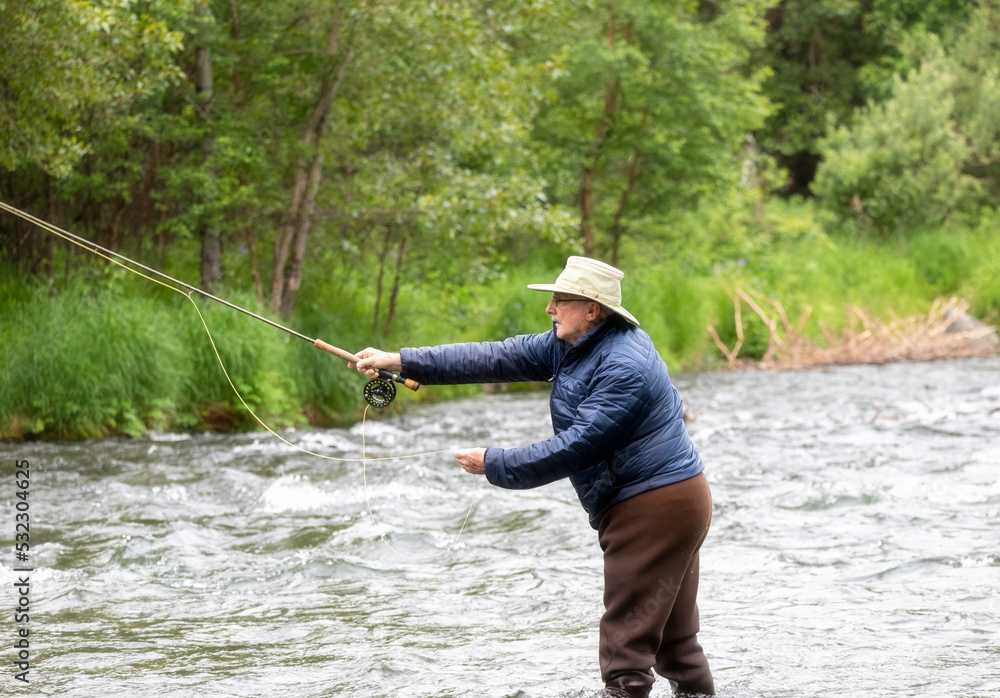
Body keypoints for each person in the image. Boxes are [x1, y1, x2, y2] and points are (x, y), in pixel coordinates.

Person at [353, 256, 714, 697]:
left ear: (591, 309)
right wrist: (401, 360)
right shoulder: (574, 343)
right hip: (672, 500)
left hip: (653, 507)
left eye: (559, 301)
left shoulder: (624, 366)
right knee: (677, 647)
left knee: (626, 655)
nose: (550, 309)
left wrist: (495, 462)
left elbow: (577, 446)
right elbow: (494, 357)